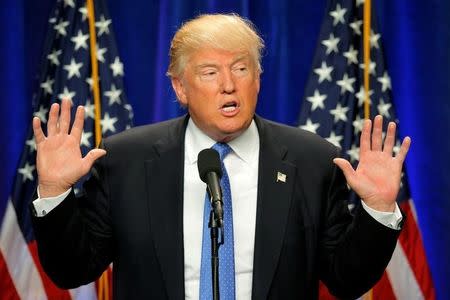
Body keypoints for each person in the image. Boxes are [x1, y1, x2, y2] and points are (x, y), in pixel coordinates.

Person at [31, 14, 410, 300]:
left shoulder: (311, 161)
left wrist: (376, 211)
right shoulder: (125, 161)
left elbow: (347, 281)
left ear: (258, 79)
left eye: (241, 69)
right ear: (180, 87)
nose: (229, 85)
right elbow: (73, 270)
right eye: (210, 72)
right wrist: (54, 193)